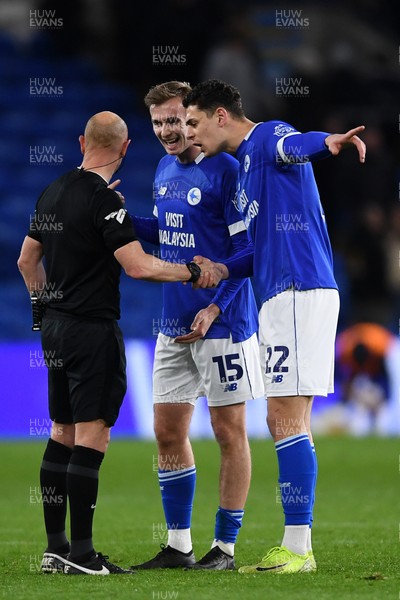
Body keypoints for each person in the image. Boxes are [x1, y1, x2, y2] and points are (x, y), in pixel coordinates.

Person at [17, 111, 220, 576]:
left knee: (61, 433)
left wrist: (41, 308)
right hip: (91, 331)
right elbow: (139, 266)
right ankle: (84, 557)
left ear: (81, 141)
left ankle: (56, 549)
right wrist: (192, 271)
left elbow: (27, 259)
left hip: (55, 330)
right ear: (125, 149)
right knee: (92, 437)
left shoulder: (54, 190)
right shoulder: (104, 200)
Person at [182, 79, 366, 574]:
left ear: (221, 116)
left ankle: (299, 549)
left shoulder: (267, 138)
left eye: (194, 123)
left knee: (284, 418)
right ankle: (296, 545)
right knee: (286, 420)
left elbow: (296, 144)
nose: (190, 134)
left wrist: (327, 143)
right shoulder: (244, 171)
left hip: (298, 289)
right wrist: (223, 270)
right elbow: (252, 250)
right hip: (280, 294)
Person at [129, 81, 264, 571]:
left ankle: (225, 549)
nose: (170, 131)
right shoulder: (164, 169)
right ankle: (179, 546)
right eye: (160, 123)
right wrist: (119, 220)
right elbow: (168, 233)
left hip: (223, 324)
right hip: (172, 323)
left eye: (178, 120)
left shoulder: (228, 171)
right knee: (168, 432)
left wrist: (215, 308)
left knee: (228, 432)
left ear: (194, 117)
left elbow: (245, 250)